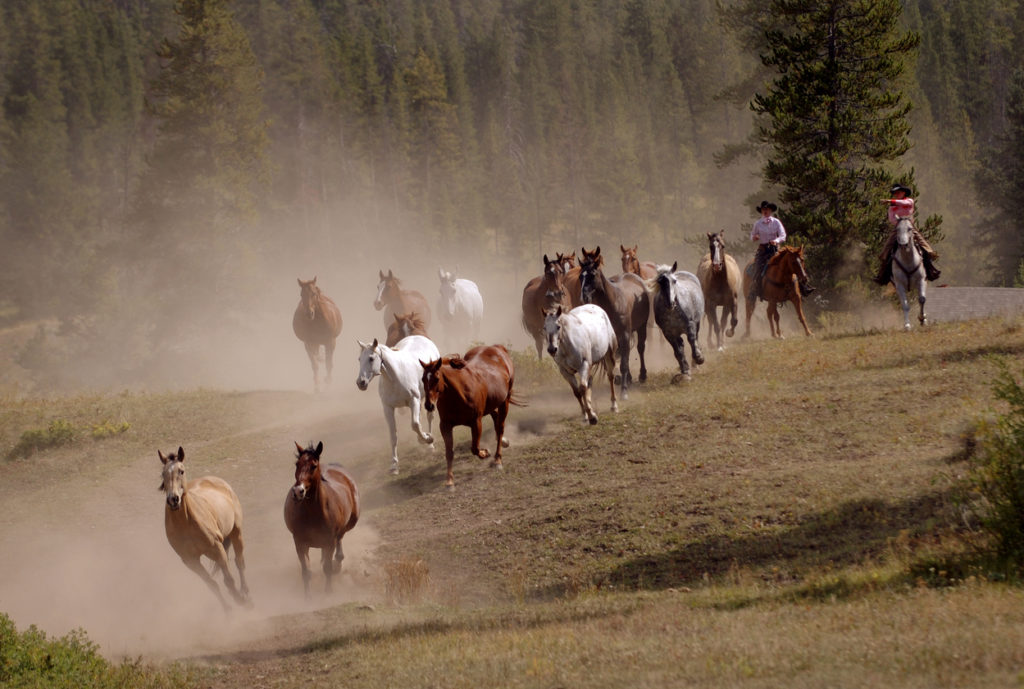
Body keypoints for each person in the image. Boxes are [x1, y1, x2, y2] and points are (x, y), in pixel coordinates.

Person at [874, 184, 940, 285]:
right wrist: (898, 222)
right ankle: (882, 274)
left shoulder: (909, 201)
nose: (896, 194)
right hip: (898, 227)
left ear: (904, 193)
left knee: (923, 245)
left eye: (898, 192)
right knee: (886, 249)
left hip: (909, 227)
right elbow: (891, 218)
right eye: (895, 193)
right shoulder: (892, 207)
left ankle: (930, 268)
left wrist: (890, 201)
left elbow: (903, 203)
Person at [749, 200, 814, 299]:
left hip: (775, 250)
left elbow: (783, 235)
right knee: (757, 267)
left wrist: (776, 240)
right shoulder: (758, 224)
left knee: (792, 263)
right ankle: (754, 289)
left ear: (770, 211)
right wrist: (754, 238)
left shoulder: (776, 222)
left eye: (767, 209)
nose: (765, 211)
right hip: (763, 250)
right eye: (763, 209)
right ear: (761, 211)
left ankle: (803, 287)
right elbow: (752, 235)